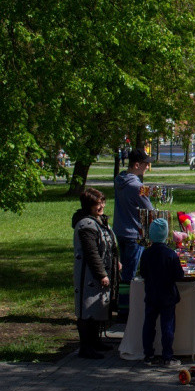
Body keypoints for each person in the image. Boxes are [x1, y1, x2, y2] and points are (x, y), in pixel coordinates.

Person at [72, 188, 120, 359]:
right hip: (89, 276)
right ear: (88, 205)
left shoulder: (99, 221)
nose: (101, 206)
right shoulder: (86, 225)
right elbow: (91, 252)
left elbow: (109, 245)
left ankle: (95, 341)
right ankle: (86, 346)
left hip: (101, 272)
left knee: (99, 307)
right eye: (97, 203)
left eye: (102, 202)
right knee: (87, 309)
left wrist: (116, 263)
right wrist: (101, 274)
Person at [139, 218, 184, 366]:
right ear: (166, 235)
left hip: (151, 293)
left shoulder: (146, 253)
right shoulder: (170, 254)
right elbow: (179, 275)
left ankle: (148, 354)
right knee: (168, 326)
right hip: (167, 295)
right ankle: (167, 356)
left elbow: (143, 272)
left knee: (149, 324)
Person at [113, 148, 153, 282]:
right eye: (145, 164)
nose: (147, 167)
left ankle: (121, 298)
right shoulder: (139, 187)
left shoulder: (118, 180)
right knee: (130, 274)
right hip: (134, 234)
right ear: (136, 165)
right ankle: (127, 301)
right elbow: (150, 210)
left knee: (124, 269)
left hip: (120, 230)